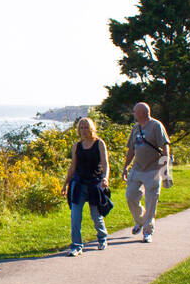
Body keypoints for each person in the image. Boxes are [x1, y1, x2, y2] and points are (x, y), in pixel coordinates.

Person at [121, 102, 171, 243]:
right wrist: (126, 166)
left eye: (135, 112)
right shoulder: (136, 128)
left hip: (153, 170)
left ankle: (148, 231)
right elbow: (131, 149)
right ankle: (140, 220)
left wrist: (165, 166)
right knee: (130, 196)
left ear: (142, 113)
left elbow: (165, 146)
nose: (133, 114)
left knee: (151, 201)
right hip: (137, 169)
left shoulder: (156, 126)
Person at [61, 117, 110, 253]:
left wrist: (105, 178)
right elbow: (73, 167)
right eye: (81, 128)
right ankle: (76, 245)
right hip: (79, 184)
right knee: (75, 216)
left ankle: (102, 238)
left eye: (86, 127)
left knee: (96, 216)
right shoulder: (77, 146)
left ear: (91, 128)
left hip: (94, 183)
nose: (83, 130)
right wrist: (65, 184)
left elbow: (105, 163)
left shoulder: (99, 143)